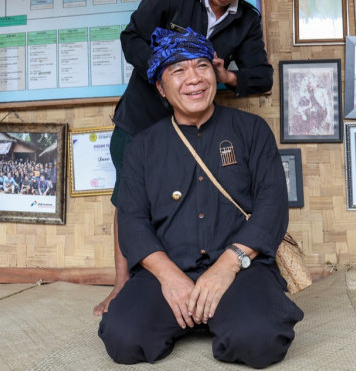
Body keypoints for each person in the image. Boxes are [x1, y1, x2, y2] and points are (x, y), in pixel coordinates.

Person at [98, 27, 303, 367]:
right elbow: (131, 219)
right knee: (124, 337)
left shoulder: (252, 131)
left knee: (260, 340)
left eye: (201, 66)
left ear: (215, 75)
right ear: (161, 88)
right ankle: (192, 312)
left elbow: (272, 205)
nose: (193, 78)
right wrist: (169, 276)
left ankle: (225, 317)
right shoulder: (142, 147)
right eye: (178, 70)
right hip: (167, 270)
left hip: (240, 269)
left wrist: (226, 266)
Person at [95, 0, 273, 316]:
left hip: (199, 129)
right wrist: (164, 70)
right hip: (140, 119)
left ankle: (202, 278)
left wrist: (226, 77)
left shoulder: (247, 21)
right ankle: (123, 285)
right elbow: (131, 39)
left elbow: (262, 77)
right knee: (129, 204)